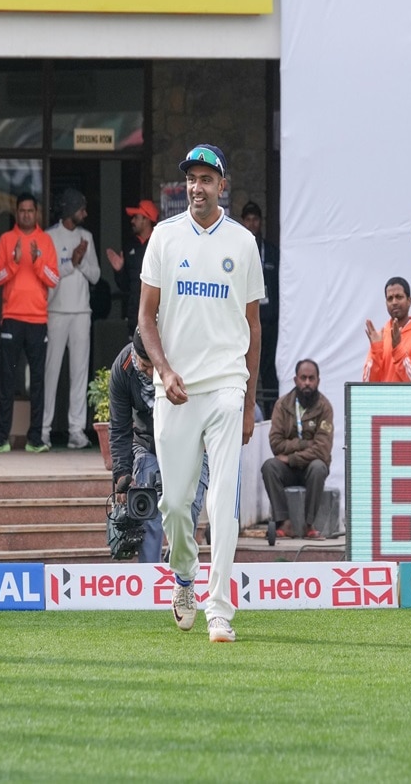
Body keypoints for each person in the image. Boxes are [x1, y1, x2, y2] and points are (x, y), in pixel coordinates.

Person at [139, 143, 264, 644]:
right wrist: (164, 371)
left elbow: (254, 327)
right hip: (176, 389)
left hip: (227, 385)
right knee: (174, 503)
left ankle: (220, 609)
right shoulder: (164, 238)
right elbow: (146, 319)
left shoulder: (243, 242)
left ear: (222, 185)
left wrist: (251, 399)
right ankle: (185, 577)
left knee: (223, 501)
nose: (197, 187)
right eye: (191, 179)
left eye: (206, 179)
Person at [108, 327, 208, 562]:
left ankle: (179, 575)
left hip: (190, 444)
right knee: (149, 511)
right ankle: (149, 579)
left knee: (189, 512)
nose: (151, 372)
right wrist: (122, 474)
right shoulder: (123, 368)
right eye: (145, 365)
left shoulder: (188, 362)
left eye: (155, 365)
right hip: (147, 444)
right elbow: (120, 426)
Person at [0, 193, 59, 452]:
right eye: (22, 211)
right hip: (12, 318)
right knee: (7, 380)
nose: (27, 215)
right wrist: (15, 262)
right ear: (17, 213)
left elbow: (53, 279)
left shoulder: (45, 241)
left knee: (37, 381)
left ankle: (36, 439)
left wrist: (37, 259)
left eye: (31, 211)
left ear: (36, 214)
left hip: (38, 319)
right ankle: (0, 439)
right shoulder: (7, 241)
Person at [42, 188, 100, 449]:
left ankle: (76, 430)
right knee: (50, 372)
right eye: (81, 209)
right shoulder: (49, 237)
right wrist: (71, 263)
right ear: (69, 211)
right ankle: (43, 430)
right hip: (55, 312)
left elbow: (96, 275)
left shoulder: (86, 236)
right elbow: (48, 275)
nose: (85, 214)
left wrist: (81, 262)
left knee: (79, 374)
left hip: (81, 313)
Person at [262, 359, 334, 539]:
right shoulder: (282, 405)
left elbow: (322, 450)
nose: (307, 383)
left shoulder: (325, 407)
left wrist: (292, 457)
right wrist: (304, 444)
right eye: (303, 378)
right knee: (269, 466)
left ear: (318, 380)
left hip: (311, 468)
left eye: (311, 378)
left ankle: (309, 525)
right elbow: (275, 443)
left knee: (318, 467)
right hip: (288, 470)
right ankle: (284, 523)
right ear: (295, 380)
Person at [239, 201, 279, 413]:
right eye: (248, 219)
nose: (251, 223)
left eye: (255, 219)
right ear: (243, 222)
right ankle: (248, 410)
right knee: (246, 366)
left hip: (269, 320)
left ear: (260, 222)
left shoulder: (271, 251)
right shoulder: (238, 251)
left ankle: (272, 412)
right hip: (246, 320)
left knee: (268, 368)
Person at [362, 276, 411, 382]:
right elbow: (366, 384)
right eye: (390, 298)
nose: (394, 302)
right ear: (386, 303)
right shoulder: (380, 337)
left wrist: (398, 349)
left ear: (409, 301)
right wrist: (376, 351)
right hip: (385, 399)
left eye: (399, 297)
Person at [107, 199, 157, 334]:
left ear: (146, 219)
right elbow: (124, 286)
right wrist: (119, 271)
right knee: (135, 354)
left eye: (136, 217)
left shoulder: (160, 243)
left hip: (156, 317)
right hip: (134, 316)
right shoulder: (130, 246)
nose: (132, 221)